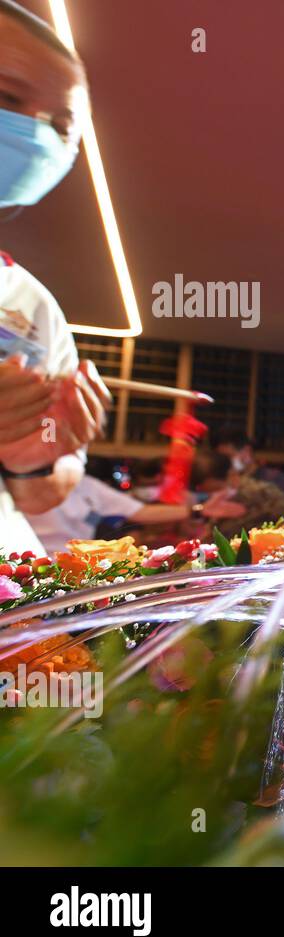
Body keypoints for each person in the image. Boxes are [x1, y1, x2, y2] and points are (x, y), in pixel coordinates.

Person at [0, 1, 112, 553]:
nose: (32, 133)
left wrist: (34, 456)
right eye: (7, 98)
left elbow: (46, 493)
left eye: (61, 126)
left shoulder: (33, 306)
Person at [25, 473, 245, 555]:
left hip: (70, 570)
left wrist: (198, 510)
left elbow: (141, 512)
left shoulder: (85, 484)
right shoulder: (15, 479)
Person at [190, 450, 284, 538]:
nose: (212, 496)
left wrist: (263, 538)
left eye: (215, 489)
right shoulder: (215, 503)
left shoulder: (258, 491)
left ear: (230, 475)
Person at [212, 427, 284, 499]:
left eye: (228, 456)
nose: (225, 463)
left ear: (246, 451)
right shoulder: (225, 483)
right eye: (221, 458)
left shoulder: (274, 479)